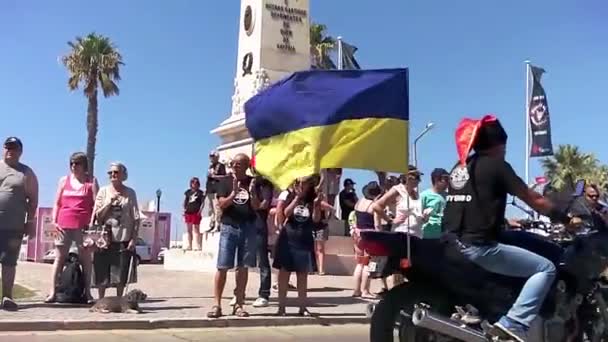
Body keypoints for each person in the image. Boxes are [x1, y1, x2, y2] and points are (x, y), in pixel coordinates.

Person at [441, 115, 574, 341]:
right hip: (477, 247)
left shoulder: (461, 166)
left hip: (451, 242)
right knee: (546, 269)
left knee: (515, 239)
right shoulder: (496, 166)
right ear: (498, 145)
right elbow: (533, 199)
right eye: (504, 146)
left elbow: (473, 202)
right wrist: (566, 219)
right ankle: (514, 323)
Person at [207, 153, 258, 318]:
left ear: (247, 166)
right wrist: (233, 193)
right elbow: (221, 204)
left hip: (248, 227)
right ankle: (217, 305)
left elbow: (257, 206)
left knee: (242, 267)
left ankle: (239, 304)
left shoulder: (252, 182)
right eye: (234, 163)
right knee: (222, 266)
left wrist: (253, 193)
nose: (235, 166)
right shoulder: (225, 182)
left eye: (240, 163)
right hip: (229, 226)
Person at [46, 152, 98, 304]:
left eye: (77, 163)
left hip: (83, 225)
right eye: (72, 164)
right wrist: (54, 221)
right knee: (59, 257)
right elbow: (57, 202)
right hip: (63, 224)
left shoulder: (91, 181)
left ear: (84, 165)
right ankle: (52, 291)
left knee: (86, 259)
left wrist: (92, 221)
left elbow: (96, 204)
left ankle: (88, 293)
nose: (74, 166)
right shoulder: (64, 181)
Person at [273, 176, 326, 316]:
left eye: (307, 183)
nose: (303, 185)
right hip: (288, 239)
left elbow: (316, 220)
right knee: (284, 274)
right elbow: (286, 213)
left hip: (305, 239)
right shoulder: (290, 195)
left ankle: (302, 308)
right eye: (301, 183)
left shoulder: (313, 198)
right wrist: (297, 198)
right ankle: (281, 307)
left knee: (302, 275)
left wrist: (316, 204)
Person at [0, 137, 38, 311]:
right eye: (7, 147)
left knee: (9, 262)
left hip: (13, 225)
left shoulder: (26, 172)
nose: (10, 150)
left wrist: (30, 221)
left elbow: (33, 199)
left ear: (20, 151)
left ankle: (7, 296)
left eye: (14, 148)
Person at [92, 162, 140, 299]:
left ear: (123, 175)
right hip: (104, 239)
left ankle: (119, 301)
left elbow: (136, 217)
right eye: (110, 173)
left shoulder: (130, 193)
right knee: (102, 272)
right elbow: (98, 215)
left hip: (123, 238)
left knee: (121, 274)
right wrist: (109, 202)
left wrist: (133, 238)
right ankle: (101, 301)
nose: (113, 175)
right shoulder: (103, 191)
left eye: (116, 172)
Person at [351, 181, 383, 298]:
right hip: (370, 236)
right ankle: (365, 290)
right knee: (368, 264)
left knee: (359, 263)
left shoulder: (359, 203)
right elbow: (377, 224)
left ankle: (356, 290)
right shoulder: (373, 206)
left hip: (357, 234)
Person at [419, 168, 449, 239]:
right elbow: (418, 216)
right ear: (436, 179)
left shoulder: (449, 196)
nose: (448, 182)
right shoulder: (424, 195)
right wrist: (423, 217)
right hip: (428, 236)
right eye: (446, 179)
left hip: (445, 236)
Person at [205, 151, 227, 232]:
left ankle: (218, 225)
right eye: (210, 156)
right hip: (210, 190)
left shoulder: (221, 166)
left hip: (217, 189)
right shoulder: (210, 166)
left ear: (217, 157)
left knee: (217, 208)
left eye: (213, 156)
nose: (211, 158)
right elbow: (208, 178)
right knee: (211, 209)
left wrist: (215, 176)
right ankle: (212, 224)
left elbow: (224, 176)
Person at [183, 177, 204, 250]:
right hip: (188, 212)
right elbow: (185, 201)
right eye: (193, 183)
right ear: (191, 184)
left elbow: (202, 203)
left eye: (196, 183)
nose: (194, 184)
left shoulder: (200, 193)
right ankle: (189, 245)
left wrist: (200, 211)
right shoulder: (188, 192)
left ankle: (197, 245)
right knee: (189, 229)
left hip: (196, 212)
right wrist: (184, 209)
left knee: (196, 229)